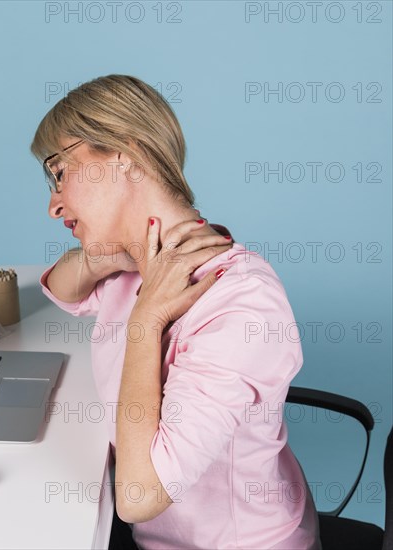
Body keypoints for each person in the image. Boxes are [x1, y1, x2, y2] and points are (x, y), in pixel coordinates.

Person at [30, 75, 322, 550]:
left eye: (59, 170)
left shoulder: (242, 303)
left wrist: (145, 322)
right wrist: (111, 256)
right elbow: (60, 287)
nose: (53, 202)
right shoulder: (136, 265)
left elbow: (139, 497)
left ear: (123, 152)